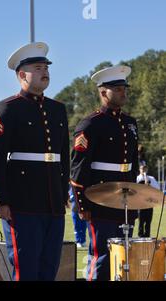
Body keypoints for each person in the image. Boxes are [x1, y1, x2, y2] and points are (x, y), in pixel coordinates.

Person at [0, 42, 70, 281]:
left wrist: (62, 194)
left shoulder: (57, 109)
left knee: (49, 268)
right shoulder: (6, 109)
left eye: (46, 67)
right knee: (26, 269)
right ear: (22, 74)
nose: (45, 72)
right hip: (22, 203)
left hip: (52, 202)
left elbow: (64, 158)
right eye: (38, 67)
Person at [70, 65, 139, 281]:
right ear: (103, 92)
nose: (123, 92)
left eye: (123, 88)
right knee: (101, 256)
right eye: (117, 88)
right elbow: (78, 167)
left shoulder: (130, 123)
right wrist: (82, 204)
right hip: (100, 200)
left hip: (125, 200)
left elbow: (133, 164)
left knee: (123, 257)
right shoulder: (90, 124)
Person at [137, 164, 161, 237]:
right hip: (141, 203)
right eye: (142, 169)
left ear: (147, 170)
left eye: (145, 169)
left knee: (148, 221)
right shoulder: (137, 178)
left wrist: (149, 186)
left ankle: (147, 235)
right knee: (141, 221)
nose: (144, 170)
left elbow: (158, 188)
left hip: (149, 203)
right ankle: (140, 235)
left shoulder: (151, 178)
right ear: (139, 169)